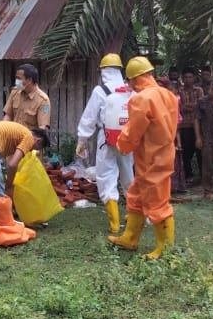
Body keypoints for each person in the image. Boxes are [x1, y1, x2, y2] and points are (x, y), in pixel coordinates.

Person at [108, 57, 181, 260]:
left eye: (129, 81)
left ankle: (165, 249)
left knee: (157, 202)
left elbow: (133, 131)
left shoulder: (141, 99)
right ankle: (130, 238)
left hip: (151, 156)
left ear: (134, 79)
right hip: (163, 151)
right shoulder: (168, 95)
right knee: (136, 196)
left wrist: (122, 145)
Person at [75, 54, 132, 234]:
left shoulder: (100, 91)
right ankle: (132, 216)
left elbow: (89, 118)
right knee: (128, 176)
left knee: (106, 177)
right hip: (127, 138)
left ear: (103, 71)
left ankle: (114, 224)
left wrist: (82, 140)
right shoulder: (130, 90)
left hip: (106, 139)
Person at [176, 67, 204, 184]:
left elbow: (201, 105)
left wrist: (187, 106)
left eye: (190, 77)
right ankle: (189, 175)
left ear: (194, 78)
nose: (188, 79)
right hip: (184, 126)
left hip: (198, 125)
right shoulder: (179, 91)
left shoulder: (199, 90)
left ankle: (203, 175)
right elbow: (179, 107)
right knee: (186, 152)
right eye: (186, 77)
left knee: (200, 151)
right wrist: (190, 106)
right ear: (182, 79)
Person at [3, 63, 51, 130]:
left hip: (30, 138)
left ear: (29, 80)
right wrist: (3, 129)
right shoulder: (15, 92)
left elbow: (43, 127)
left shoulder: (43, 100)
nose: (16, 81)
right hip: (12, 136)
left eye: (19, 78)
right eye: (16, 78)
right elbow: (8, 115)